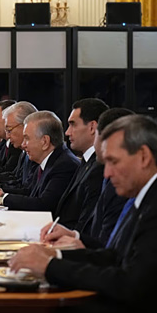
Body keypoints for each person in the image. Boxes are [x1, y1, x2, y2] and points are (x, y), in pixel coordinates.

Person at [9, 115, 157, 313]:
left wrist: (51, 267)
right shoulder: (152, 192)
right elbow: (115, 255)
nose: (107, 174)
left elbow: (132, 284)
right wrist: (55, 255)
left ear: (143, 156)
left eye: (113, 162)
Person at [41, 107, 133, 250]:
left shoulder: (106, 176)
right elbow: (105, 243)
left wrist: (56, 257)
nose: (67, 132)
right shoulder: (89, 164)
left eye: (113, 161)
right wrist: (74, 236)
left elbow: (110, 250)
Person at [0, 111, 79, 211]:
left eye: (27, 138)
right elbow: (28, 191)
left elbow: (44, 205)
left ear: (45, 141)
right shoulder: (47, 160)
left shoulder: (64, 165)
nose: (23, 145)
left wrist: (1, 198)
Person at [53, 98, 108, 230]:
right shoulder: (87, 161)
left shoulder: (98, 167)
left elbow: (86, 225)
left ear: (92, 127)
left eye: (73, 124)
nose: (67, 132)